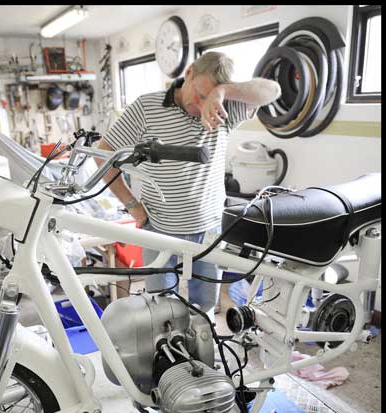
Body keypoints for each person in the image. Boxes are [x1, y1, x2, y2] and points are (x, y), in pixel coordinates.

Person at [95, 51, 281, 315]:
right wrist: (132, 205)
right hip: (158, 229)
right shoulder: (147, 107)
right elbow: (104, 154)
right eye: (200, 94)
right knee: (160, 310)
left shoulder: (224, 109)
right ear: (189, 72)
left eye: (209, 98)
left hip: (209, 231)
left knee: (205, 308)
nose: (201, 105)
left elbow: (272, 91)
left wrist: (221, 93)